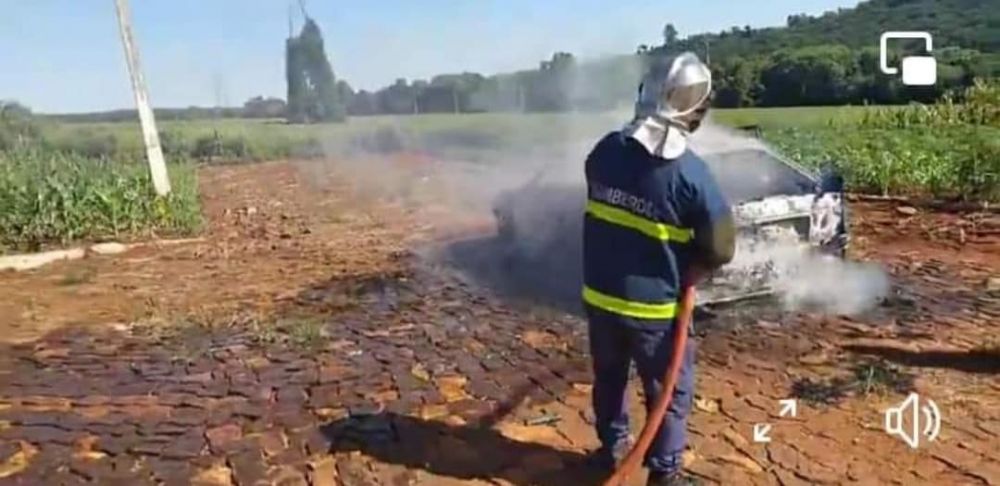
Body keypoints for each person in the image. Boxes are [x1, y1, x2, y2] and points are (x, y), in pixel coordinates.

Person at [581, 52, 736, 486]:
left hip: (600, 300)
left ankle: (611, 451)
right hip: (654, 312)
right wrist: (696, 260)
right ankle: (664, 473)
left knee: (609, 378)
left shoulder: (605, 151)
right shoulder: (689, 174)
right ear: (693, 107)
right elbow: (722, 246)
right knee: (668, 390)